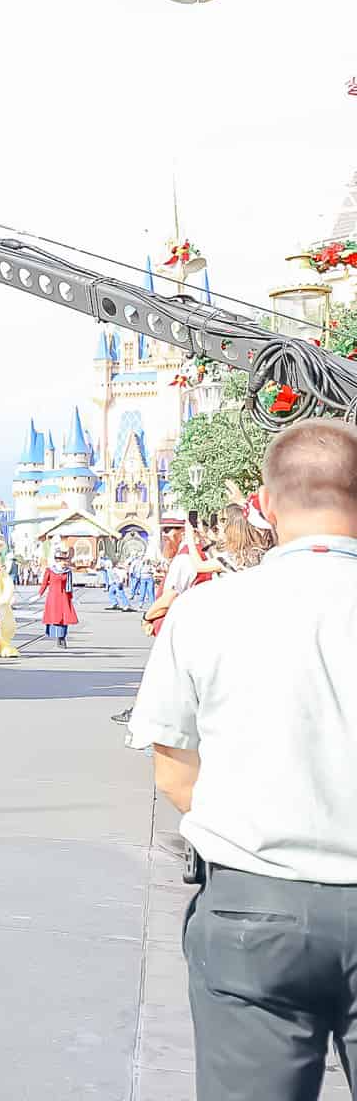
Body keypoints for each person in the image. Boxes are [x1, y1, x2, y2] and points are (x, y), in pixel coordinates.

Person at [128, 418, 357, 1098]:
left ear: (265, 502)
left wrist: (261, 814)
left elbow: (173, 768)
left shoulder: (204, 612)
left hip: (254, 909)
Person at [38, 546, 80, 648]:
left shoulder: (68, 572)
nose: (64, 562)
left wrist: (72, 597)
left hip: (64, 597)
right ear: (57, 560)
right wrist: (39, 594)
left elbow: (69, 585)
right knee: (55, 618)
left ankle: (62, 638)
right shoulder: (50, 570)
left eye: (65, 560)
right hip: (53, 597)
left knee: (64, 618)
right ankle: (58, 637)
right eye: (62, 560)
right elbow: (44, 584)